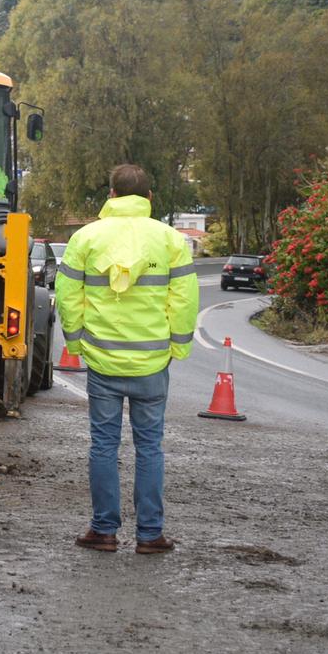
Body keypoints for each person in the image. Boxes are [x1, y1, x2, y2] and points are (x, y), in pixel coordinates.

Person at [54, 164, 198, 555]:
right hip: (152, 363)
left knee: (103, 446)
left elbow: (67, 297)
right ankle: (150, 535)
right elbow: (184, 300)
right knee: (150, 447)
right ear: (149, 197)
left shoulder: (86, 238)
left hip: (103, 361)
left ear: (112, 195)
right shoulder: (170, 240)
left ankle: (103, 530)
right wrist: (178, 347)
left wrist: (76, 343)